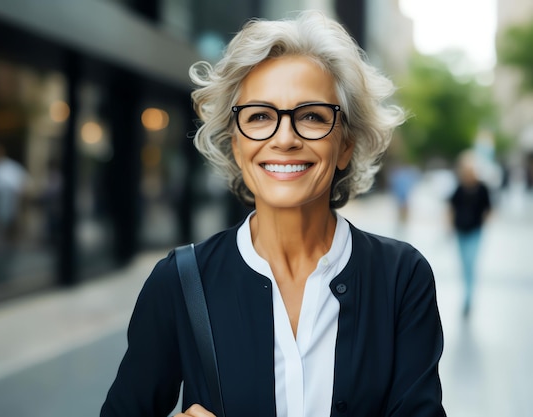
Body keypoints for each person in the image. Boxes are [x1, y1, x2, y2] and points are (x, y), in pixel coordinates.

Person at [100, 10, 446, 417]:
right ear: (236, 143)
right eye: (260, 117)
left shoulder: (401, 279)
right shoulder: (179, 281)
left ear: (346, 145)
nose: (284, 138)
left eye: (312, 117)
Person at [448, 151, 492, 318]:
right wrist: (450, 226)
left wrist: (484, 223)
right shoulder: (459, 188)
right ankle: (467, 293)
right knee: (464, 264)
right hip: (461, 231)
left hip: (475, 231)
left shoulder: (482, 188)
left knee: (471, 263)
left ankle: (468, 297)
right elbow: (451, 208)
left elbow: (488, 208)